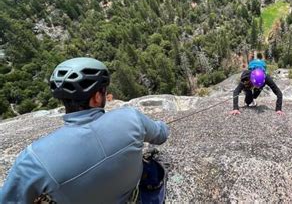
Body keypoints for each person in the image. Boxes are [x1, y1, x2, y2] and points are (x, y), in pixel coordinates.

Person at [0, 57, 169, 204]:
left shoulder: (33, 160)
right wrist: (162, 125)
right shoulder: (131, 118)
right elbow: (161, 135)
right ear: (97, 97)